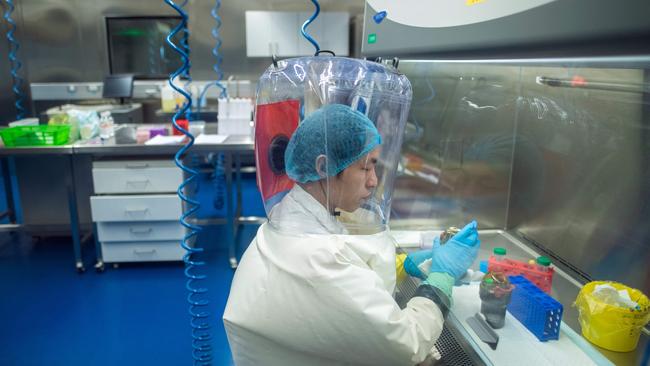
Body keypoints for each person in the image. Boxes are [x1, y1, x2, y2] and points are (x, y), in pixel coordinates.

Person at [223, 104, 480, 365]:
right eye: (365, 168)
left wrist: (400, 266)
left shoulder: (291, 216)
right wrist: (440, 280)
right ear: (324, 167)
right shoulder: (320, 258)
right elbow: (407, 343)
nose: (373, 181)